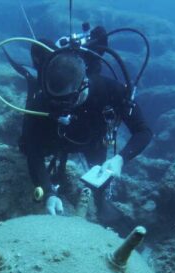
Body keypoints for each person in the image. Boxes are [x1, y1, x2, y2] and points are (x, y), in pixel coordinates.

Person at [18, 47, 153, 217]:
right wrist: (49, 192)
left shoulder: (109, 90)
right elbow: (33, 151)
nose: (61, 107)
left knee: (99, 183)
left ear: (84, 84)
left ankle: (103, 206)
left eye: (67, 100)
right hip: (53, 139)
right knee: (24, 146)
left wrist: (121, 158)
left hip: (92, 141)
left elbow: (143, 131)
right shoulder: (41, 101)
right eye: (55, 100)